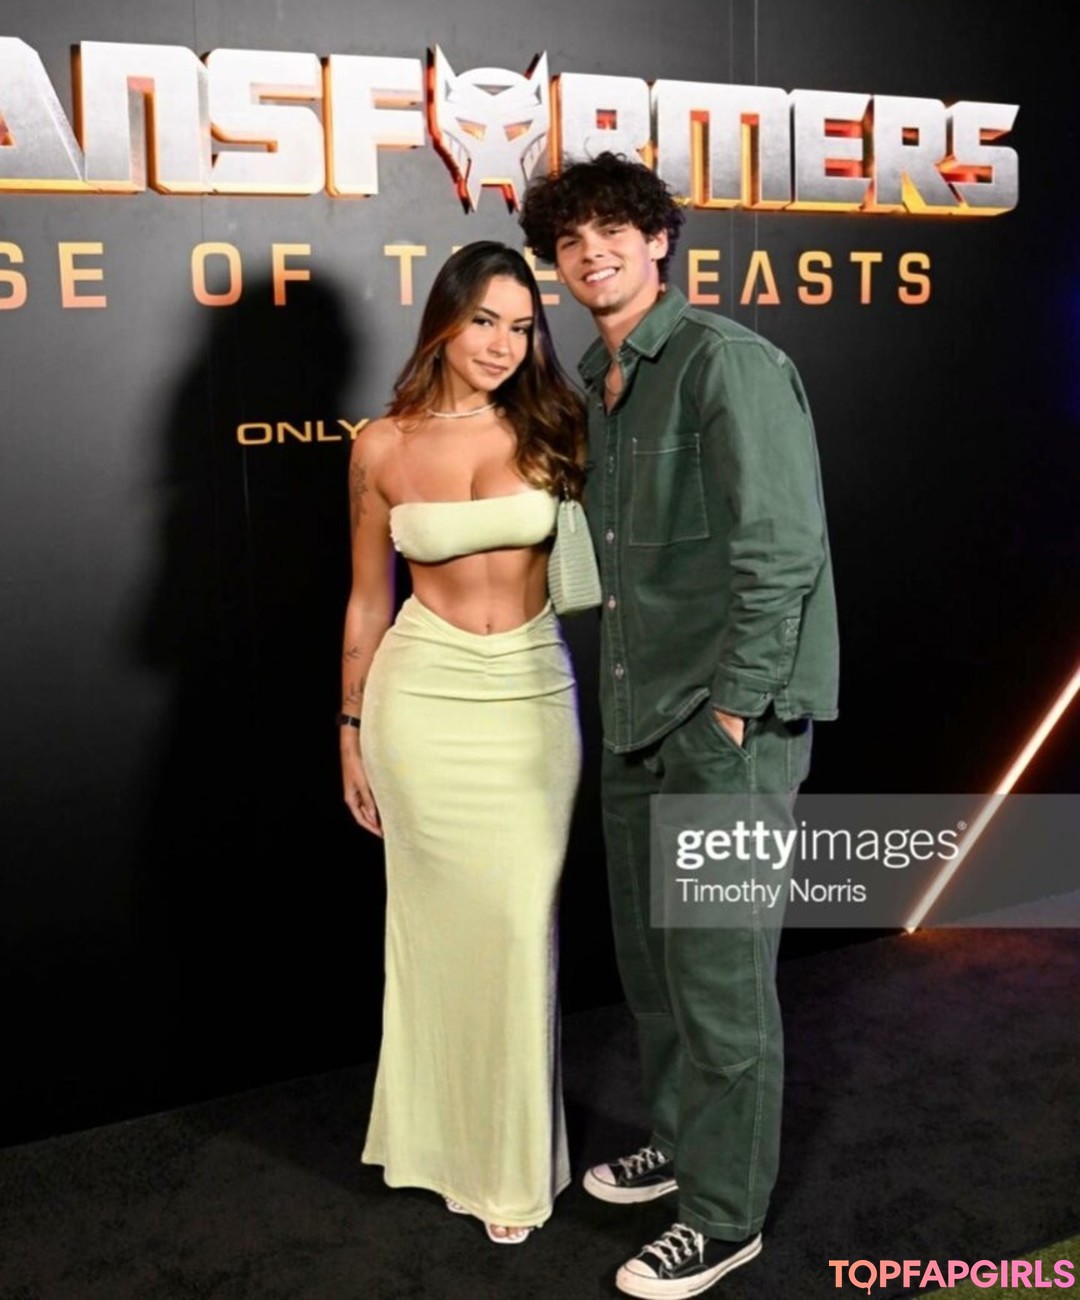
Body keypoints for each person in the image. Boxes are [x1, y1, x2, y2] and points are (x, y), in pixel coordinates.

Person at [520, 154, 839, 1296]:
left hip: (719, 727)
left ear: (658, 239)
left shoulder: (724, 361)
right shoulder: (602, 380)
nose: (591, 252)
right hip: (636, 715)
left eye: (614, 229)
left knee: (716, 981)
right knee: (655, 971)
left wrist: (736, 710)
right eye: (570, 240)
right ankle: (683, 1140)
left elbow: (780, 552)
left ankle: (723, 1215)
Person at [340, 241, 586, 1243]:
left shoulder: (557, 424)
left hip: (531, 694)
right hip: (421, 704)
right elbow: (367, 600)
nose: (502, 344)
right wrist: (350, 730)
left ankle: (511, 1169)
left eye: (521, 326)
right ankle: (442, 1152)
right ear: (444, 319)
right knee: (437, 939)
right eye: (485, 319)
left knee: (519, 933)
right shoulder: (380, 446)